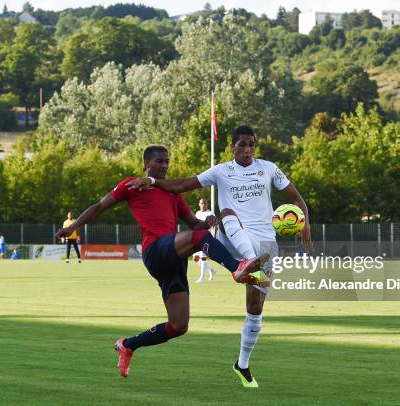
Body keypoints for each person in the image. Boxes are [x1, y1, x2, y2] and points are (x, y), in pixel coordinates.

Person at [55, 144, 270, 379]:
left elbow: (193, 225)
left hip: (174, 258)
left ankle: (127, 345)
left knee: (178, 326)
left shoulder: (172, 192)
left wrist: (209, 220)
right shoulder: (132, 184)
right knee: (200, 240)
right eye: (159, 161)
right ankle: (237, 268)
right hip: (156, 251)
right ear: (146, 164)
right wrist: (74, 226)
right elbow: (99, 207)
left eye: (167, 161)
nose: (164, 165)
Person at [127, 125, 311, 388]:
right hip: (232, 238)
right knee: (226, 213)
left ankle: (242, 364)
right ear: (232, 147)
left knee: (255, 309)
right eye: (242, 144)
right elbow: (182, 185)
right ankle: (246, 263)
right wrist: (153, 181)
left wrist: (305, 226)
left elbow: (296, 198)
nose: (247, 149)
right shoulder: (221, 171)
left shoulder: (269, 168)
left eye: (251, 145)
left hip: (266, 245)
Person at [194, 198, 216, 283]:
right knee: (196, 258)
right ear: (199, 204)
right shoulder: (198, 213)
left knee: (203, 258)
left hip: (206, 237)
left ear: (207, 204)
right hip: (197, 237)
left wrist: (213, 238)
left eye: (205, 203)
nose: (203, 205)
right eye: (202, 203)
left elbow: (214, 227)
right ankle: (211, 269)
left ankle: (202, 278)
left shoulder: (210, 214)